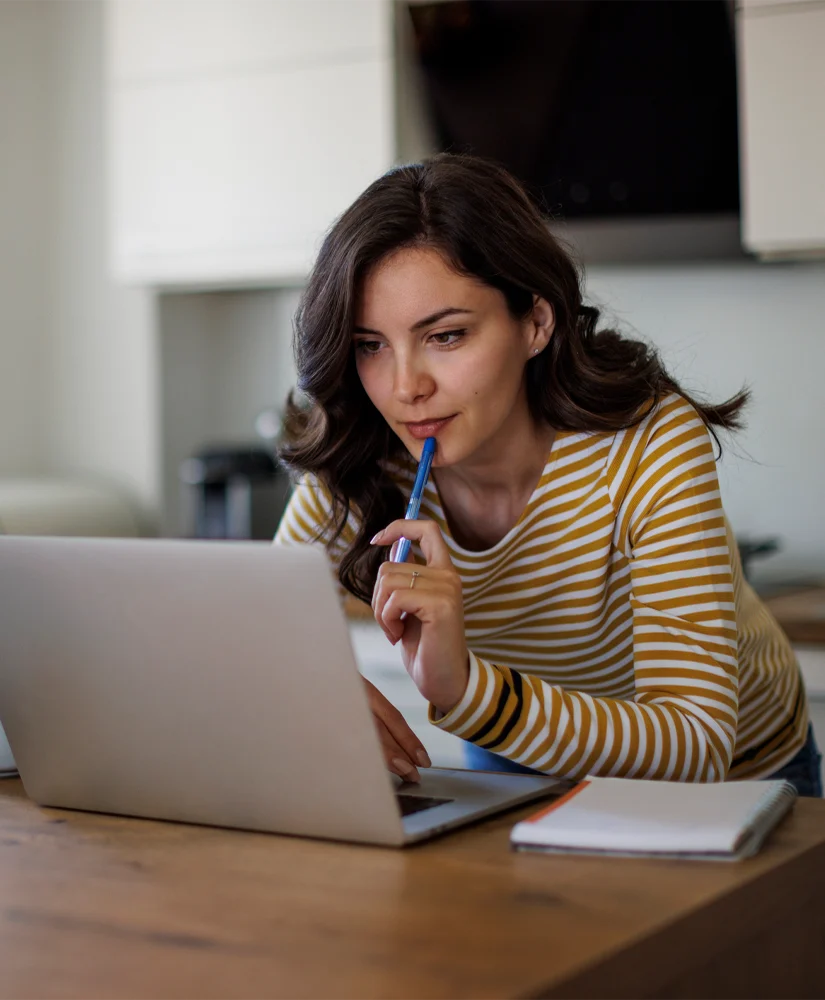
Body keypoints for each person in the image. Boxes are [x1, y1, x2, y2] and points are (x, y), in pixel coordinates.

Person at [274, 154, 821, 797]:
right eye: (371, 345)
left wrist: (469, 693)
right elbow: (257, 634)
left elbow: (696, 741)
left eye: (446, 336)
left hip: (736, 780)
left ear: (535, 322)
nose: (405, 389)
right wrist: (312, 688)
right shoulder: (365, 449)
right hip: (520, 756)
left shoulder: (648, 442)